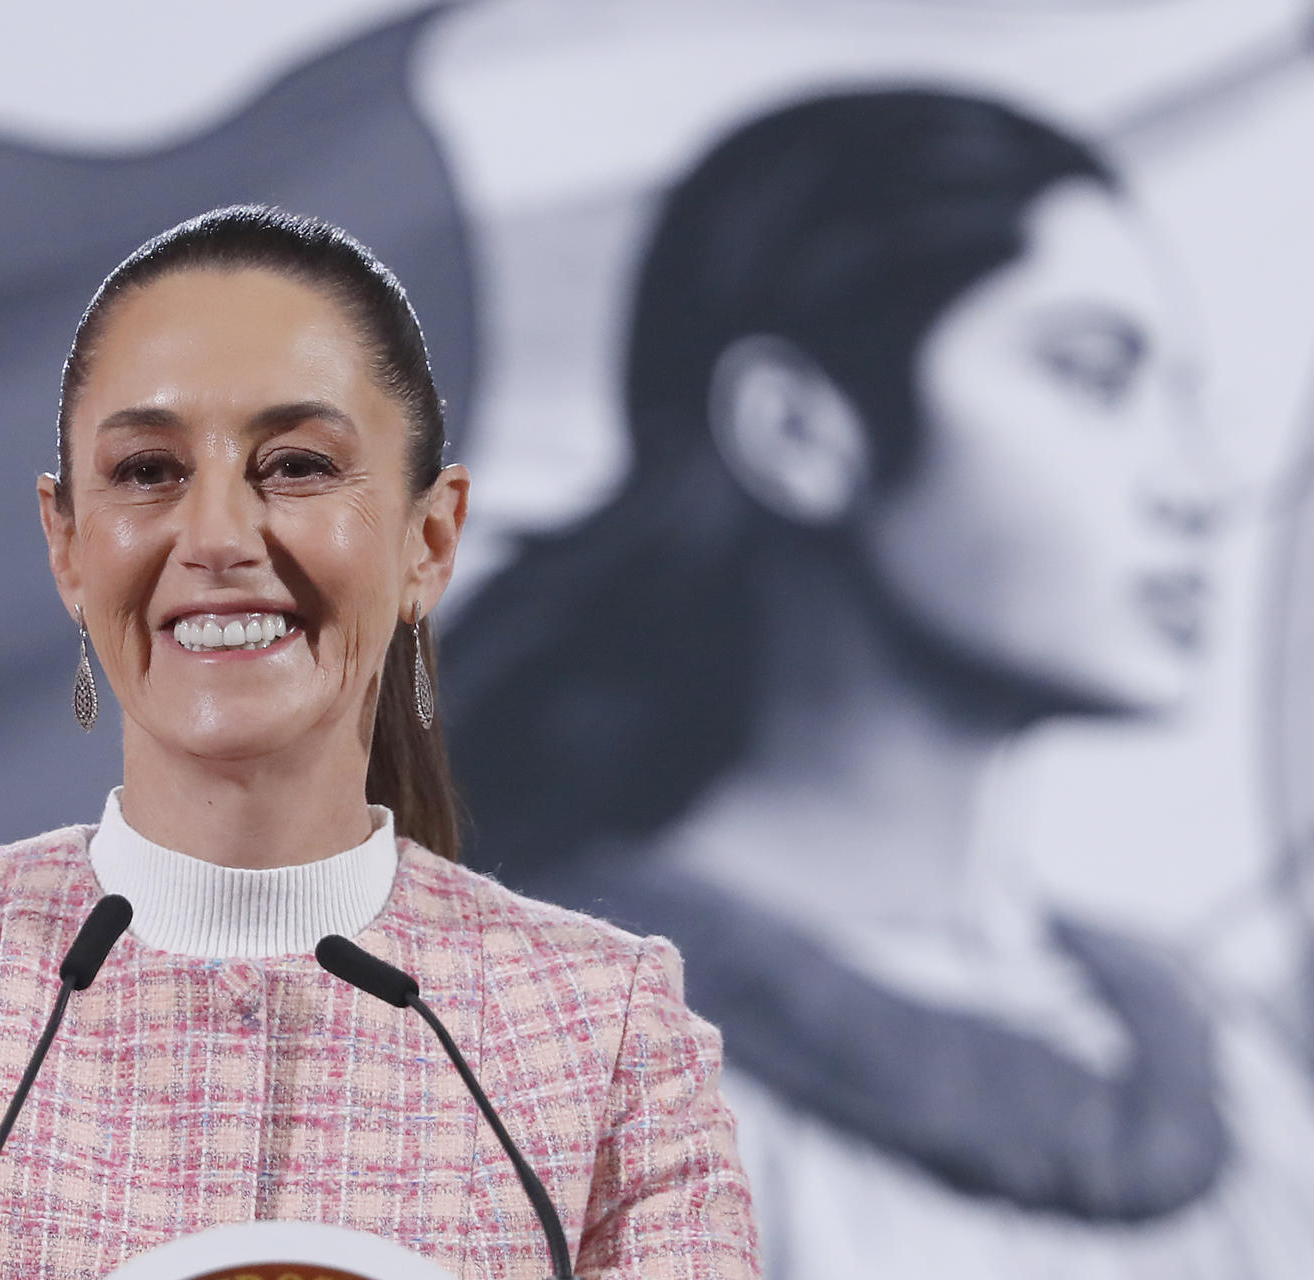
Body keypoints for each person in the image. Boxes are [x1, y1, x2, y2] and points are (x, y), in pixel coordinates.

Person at [0, 206, 759, 1279]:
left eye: (296, 465)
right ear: (67, 547)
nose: (220, 537)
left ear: (431, 539)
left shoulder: (600, 1024)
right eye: (148, 471)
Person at [442, 89, 1314, 1278]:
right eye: (1092, 374)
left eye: (1178, 396)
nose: (1199, 486)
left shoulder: (1235, 1066)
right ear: (799, 429)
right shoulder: (527, 1070)